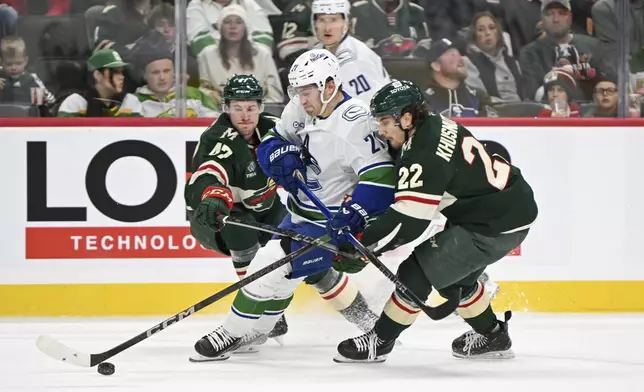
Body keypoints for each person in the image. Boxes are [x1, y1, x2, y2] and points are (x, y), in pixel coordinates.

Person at [186, 71, 389, 361]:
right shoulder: (219, 137)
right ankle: (242, 329)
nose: (245, 116)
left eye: (251, 107)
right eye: (237, 108)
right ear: (225, 108)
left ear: (260, 106)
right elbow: (209, 171)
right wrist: (212, 194)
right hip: (225, 213)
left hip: (285, 212)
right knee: (261, 259)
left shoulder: (285, 124)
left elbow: (369, 176)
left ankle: (367, 322)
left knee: (290, 272)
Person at [332, 80, 538, 363]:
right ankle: (493, 337)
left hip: (492, 222)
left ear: (406, 118)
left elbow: (409, 221)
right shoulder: (433, 126)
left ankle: (379, 341)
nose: (381, 130)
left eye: (384, 121)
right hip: (504, 208)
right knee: (457, 280)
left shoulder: (423, 152)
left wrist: (362, 244)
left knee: (415, 273)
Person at [198, 4, 284, 105]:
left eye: (238, 22)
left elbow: (275, 96)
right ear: (220, 28)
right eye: (227, 22)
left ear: (245, 28)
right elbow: (204, 90)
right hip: (221, 111)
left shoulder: (263, 55)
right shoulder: (207, 55)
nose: (233, 27)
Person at [311, 0, 390, 103]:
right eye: (322, 20)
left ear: (346, 22)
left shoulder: (359, 58)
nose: (327, 28)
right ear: (314, 23)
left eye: (334, 20)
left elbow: (366, 108)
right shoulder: (315, 52)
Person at [57, 49, 142, 117]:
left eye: (122, 72)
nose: (122, 77)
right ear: (97, 75)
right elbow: (66, 136)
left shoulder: (130, 102)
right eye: (115, 72)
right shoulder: (76, 102)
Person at [134, 50, 220, 117]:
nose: (162, 77)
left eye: (166, 71)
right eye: (155, 72)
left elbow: (216, 124)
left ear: (174, 73)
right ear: (145, 76)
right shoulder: (134, 101)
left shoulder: (195, 94)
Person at [464, 11, 525, 103]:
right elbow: (480, 98)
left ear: (498, 33)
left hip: (522, 110)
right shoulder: (469, 62)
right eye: (481, 30)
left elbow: (524, 93)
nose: (487, 33)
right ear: (474, 36)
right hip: (493, 112)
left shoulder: (512, 62)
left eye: (492, 28)